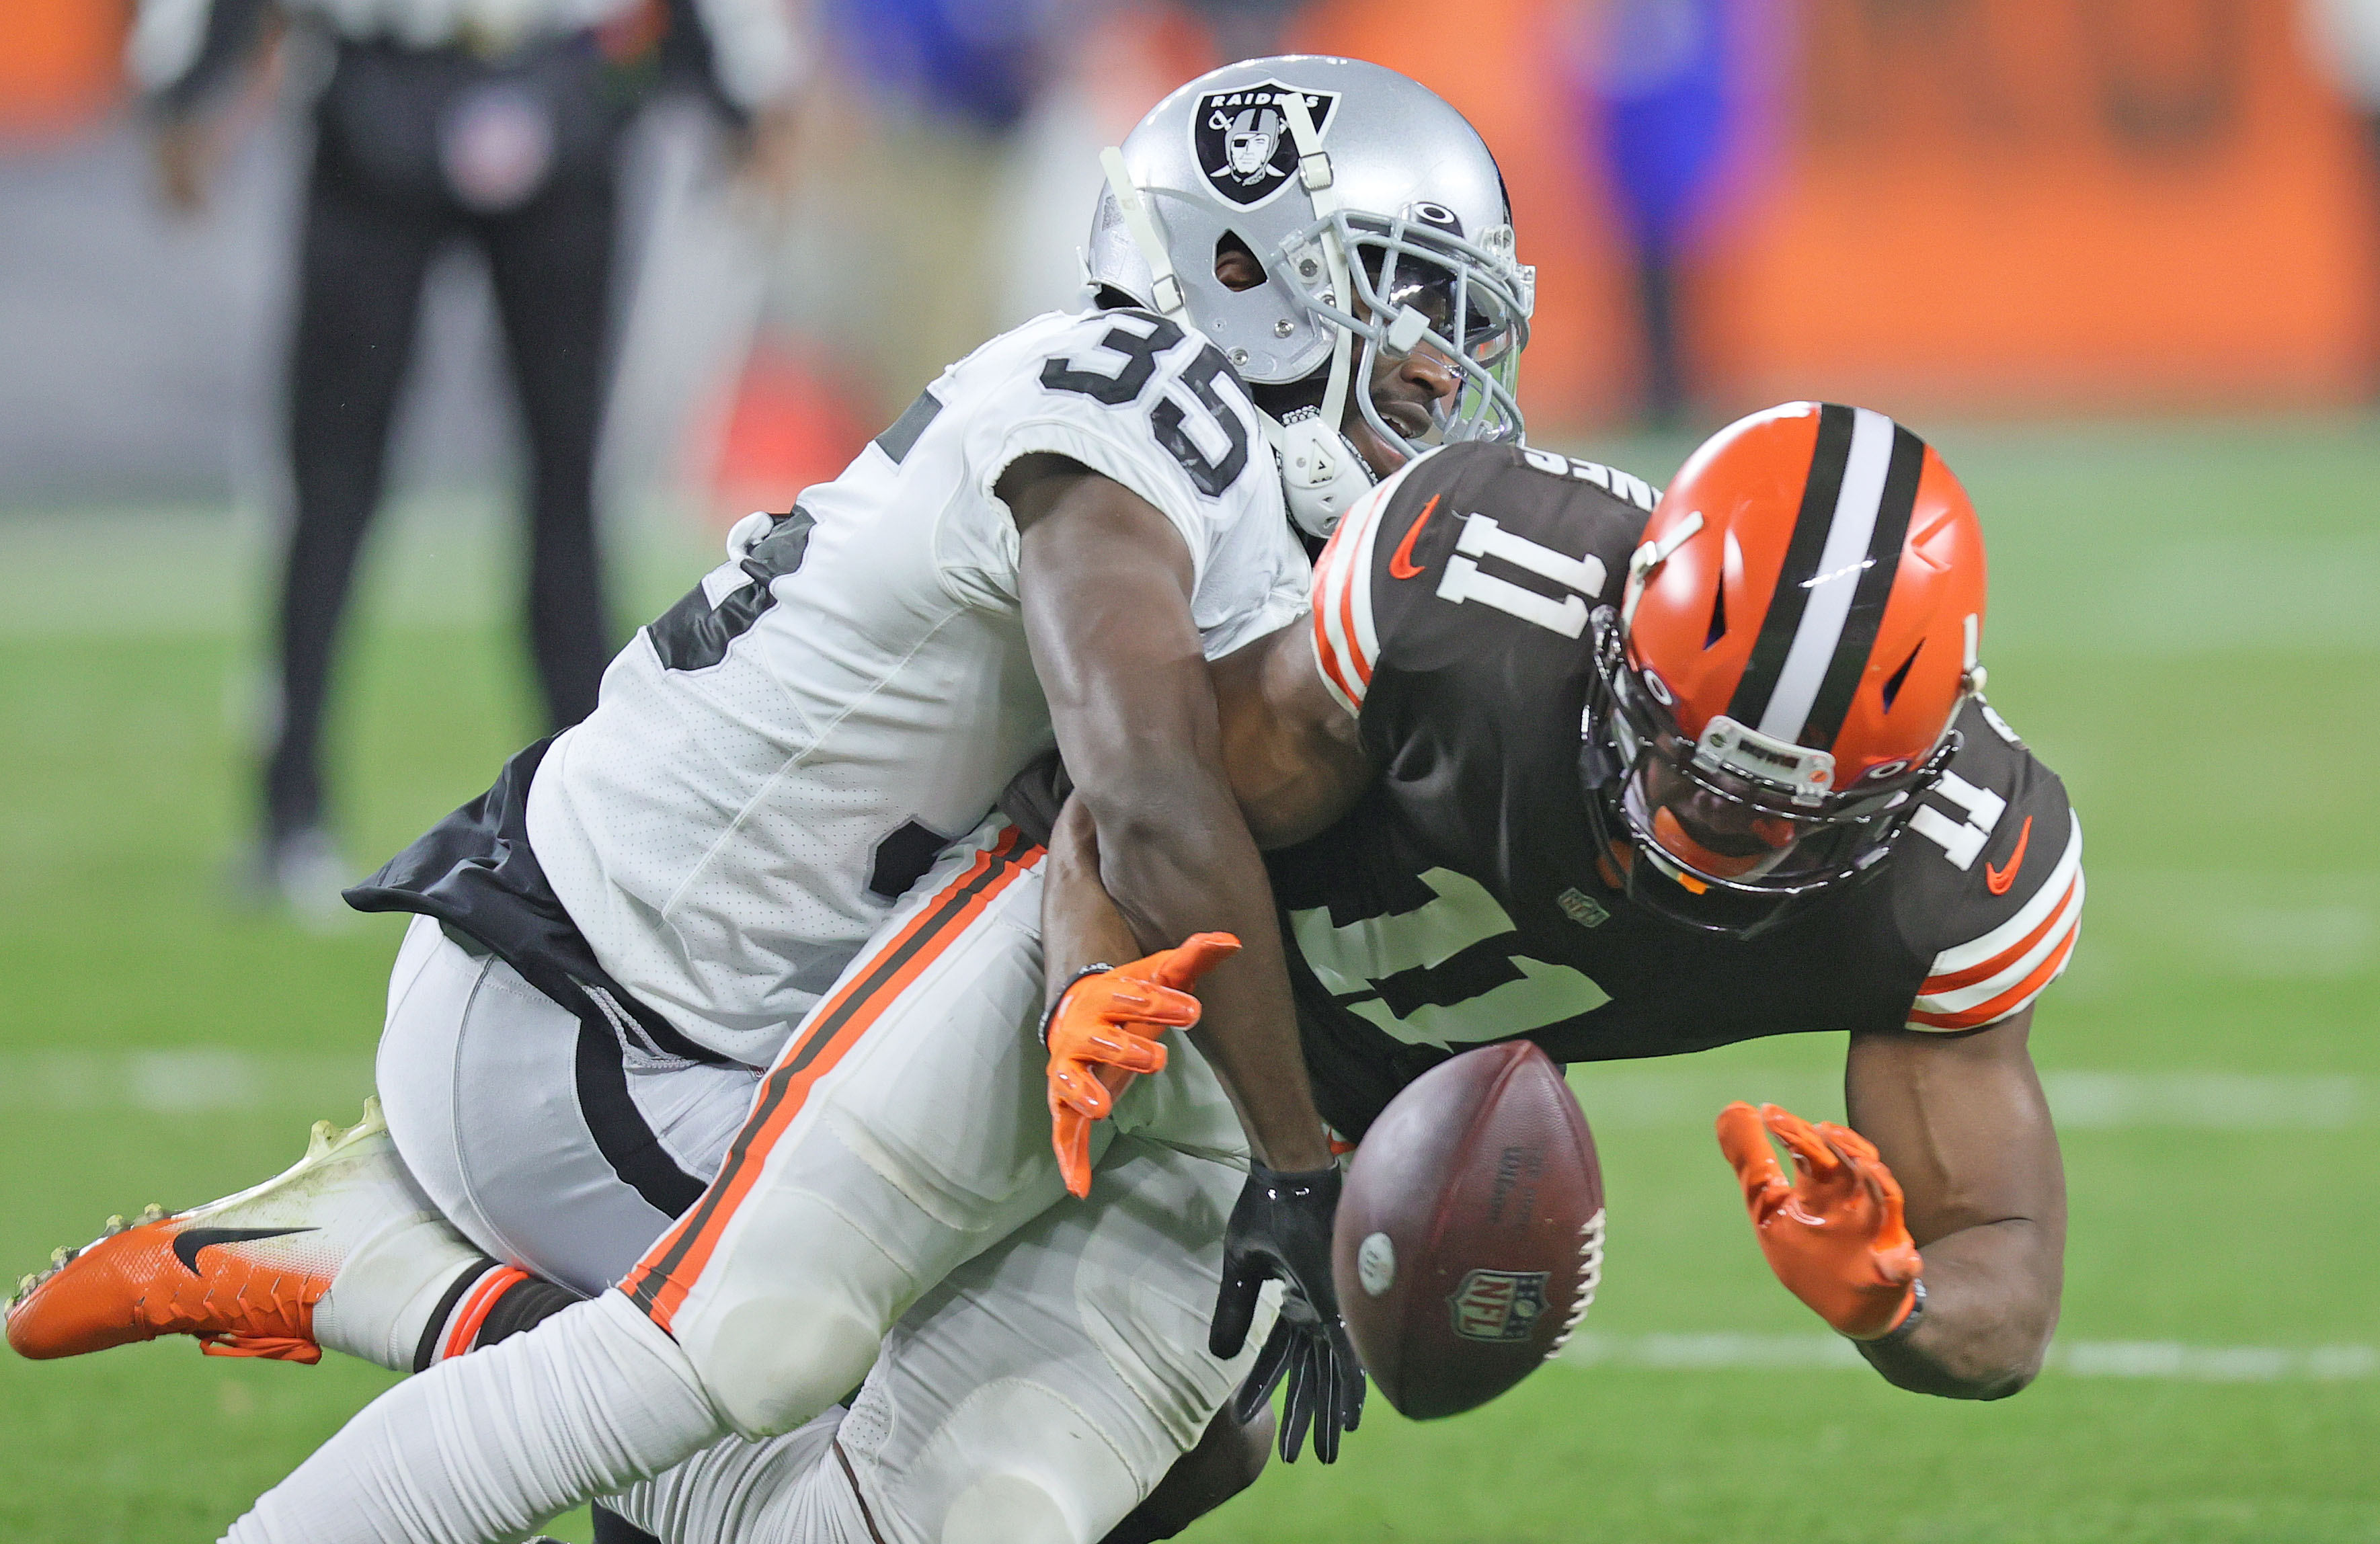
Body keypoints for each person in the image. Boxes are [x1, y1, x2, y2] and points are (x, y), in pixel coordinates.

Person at [9, 56, 1539, 1544]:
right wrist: (1294, 1156)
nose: (1438, 362)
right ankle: (398, 1274)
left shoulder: (1234, 482)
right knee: (847, 1425)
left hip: (753, 1010)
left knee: (1176, 1428)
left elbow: (1082, 833)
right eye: (1409, 299)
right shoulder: (1131, 416)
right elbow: (1143, 794)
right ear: (1246, 270)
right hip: (595, 1018)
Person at [1023, 403, 2077, 1522]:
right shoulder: (1479, 593)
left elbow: (2002, 1287)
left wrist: (1894, 1303)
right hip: (1124, 954)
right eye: (1682, 762)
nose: (1704, 833)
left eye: (1785, 818)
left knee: (1168, 1462)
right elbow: (1137, 802)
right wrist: (1079, 971)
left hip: (1321, 1125)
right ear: (1619, 634)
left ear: (1905, 783)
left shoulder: (1952, 878)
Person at [125, 0, 803, 910]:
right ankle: (291, 807)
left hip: (565, 81)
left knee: (570, 483)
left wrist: (745, 82)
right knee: (329, 482)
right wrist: (184, 82)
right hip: (376, 84)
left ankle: (592, 806)